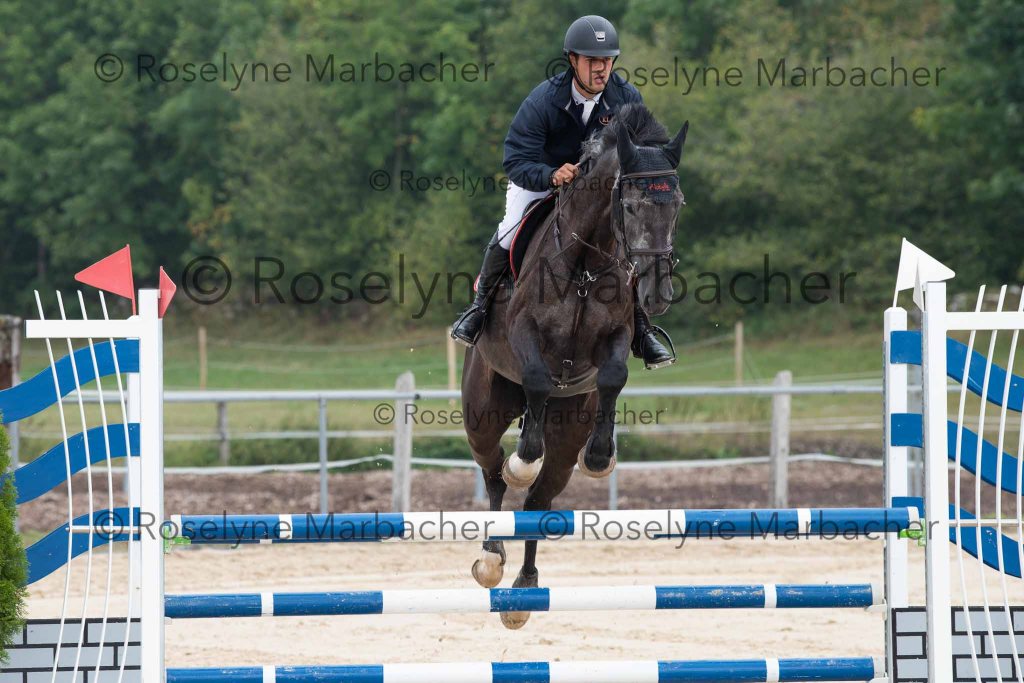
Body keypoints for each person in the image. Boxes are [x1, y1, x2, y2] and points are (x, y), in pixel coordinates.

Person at [450, 14, 676, 369]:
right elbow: (516, 159)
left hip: (599, 193)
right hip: (541, 183)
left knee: (630, 238)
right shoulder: (543, 100)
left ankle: (642, 328)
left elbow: (642, 153)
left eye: (607, 60)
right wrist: (551, 175)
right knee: (509, 230)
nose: (601, 69)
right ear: (572, 60)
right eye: (592, 61)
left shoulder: (627, 97)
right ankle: (478, 309)